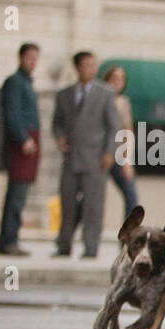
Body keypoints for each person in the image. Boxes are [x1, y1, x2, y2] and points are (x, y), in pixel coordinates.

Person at [52, 51, 121, 259]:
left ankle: (91, 247)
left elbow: (114, 126)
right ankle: (64, 245)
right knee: (67, 204)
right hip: (71, 158)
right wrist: (59, 137)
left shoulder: (105, 93)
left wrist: (110, 152)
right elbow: (57, 123)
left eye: (93, 65)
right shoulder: (64, 94)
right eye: (86, 65)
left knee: (93, 206)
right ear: (77, 67)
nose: (90, 69)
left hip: (96, 158)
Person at [0, 43, 41, 256]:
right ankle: (8, 240)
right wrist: (24, 139)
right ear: (21, 57)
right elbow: (12, 114)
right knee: (16, 196)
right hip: (21, 146)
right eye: (30, 58)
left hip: (30, 144)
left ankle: (11, 238)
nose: (33, 62)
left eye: (36, 58)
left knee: (20, 196)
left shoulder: (27, 83)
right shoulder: (14, 82)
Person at [101, 65, 139, 214]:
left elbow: (128, 132)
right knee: (90, 196)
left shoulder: (123, 102)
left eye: (121, 79)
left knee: (131, 195)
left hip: (118, 155)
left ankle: (128, 233)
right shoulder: (99, 100)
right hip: (100, 154)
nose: (118, 82)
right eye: (114, 78)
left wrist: (127, 160)